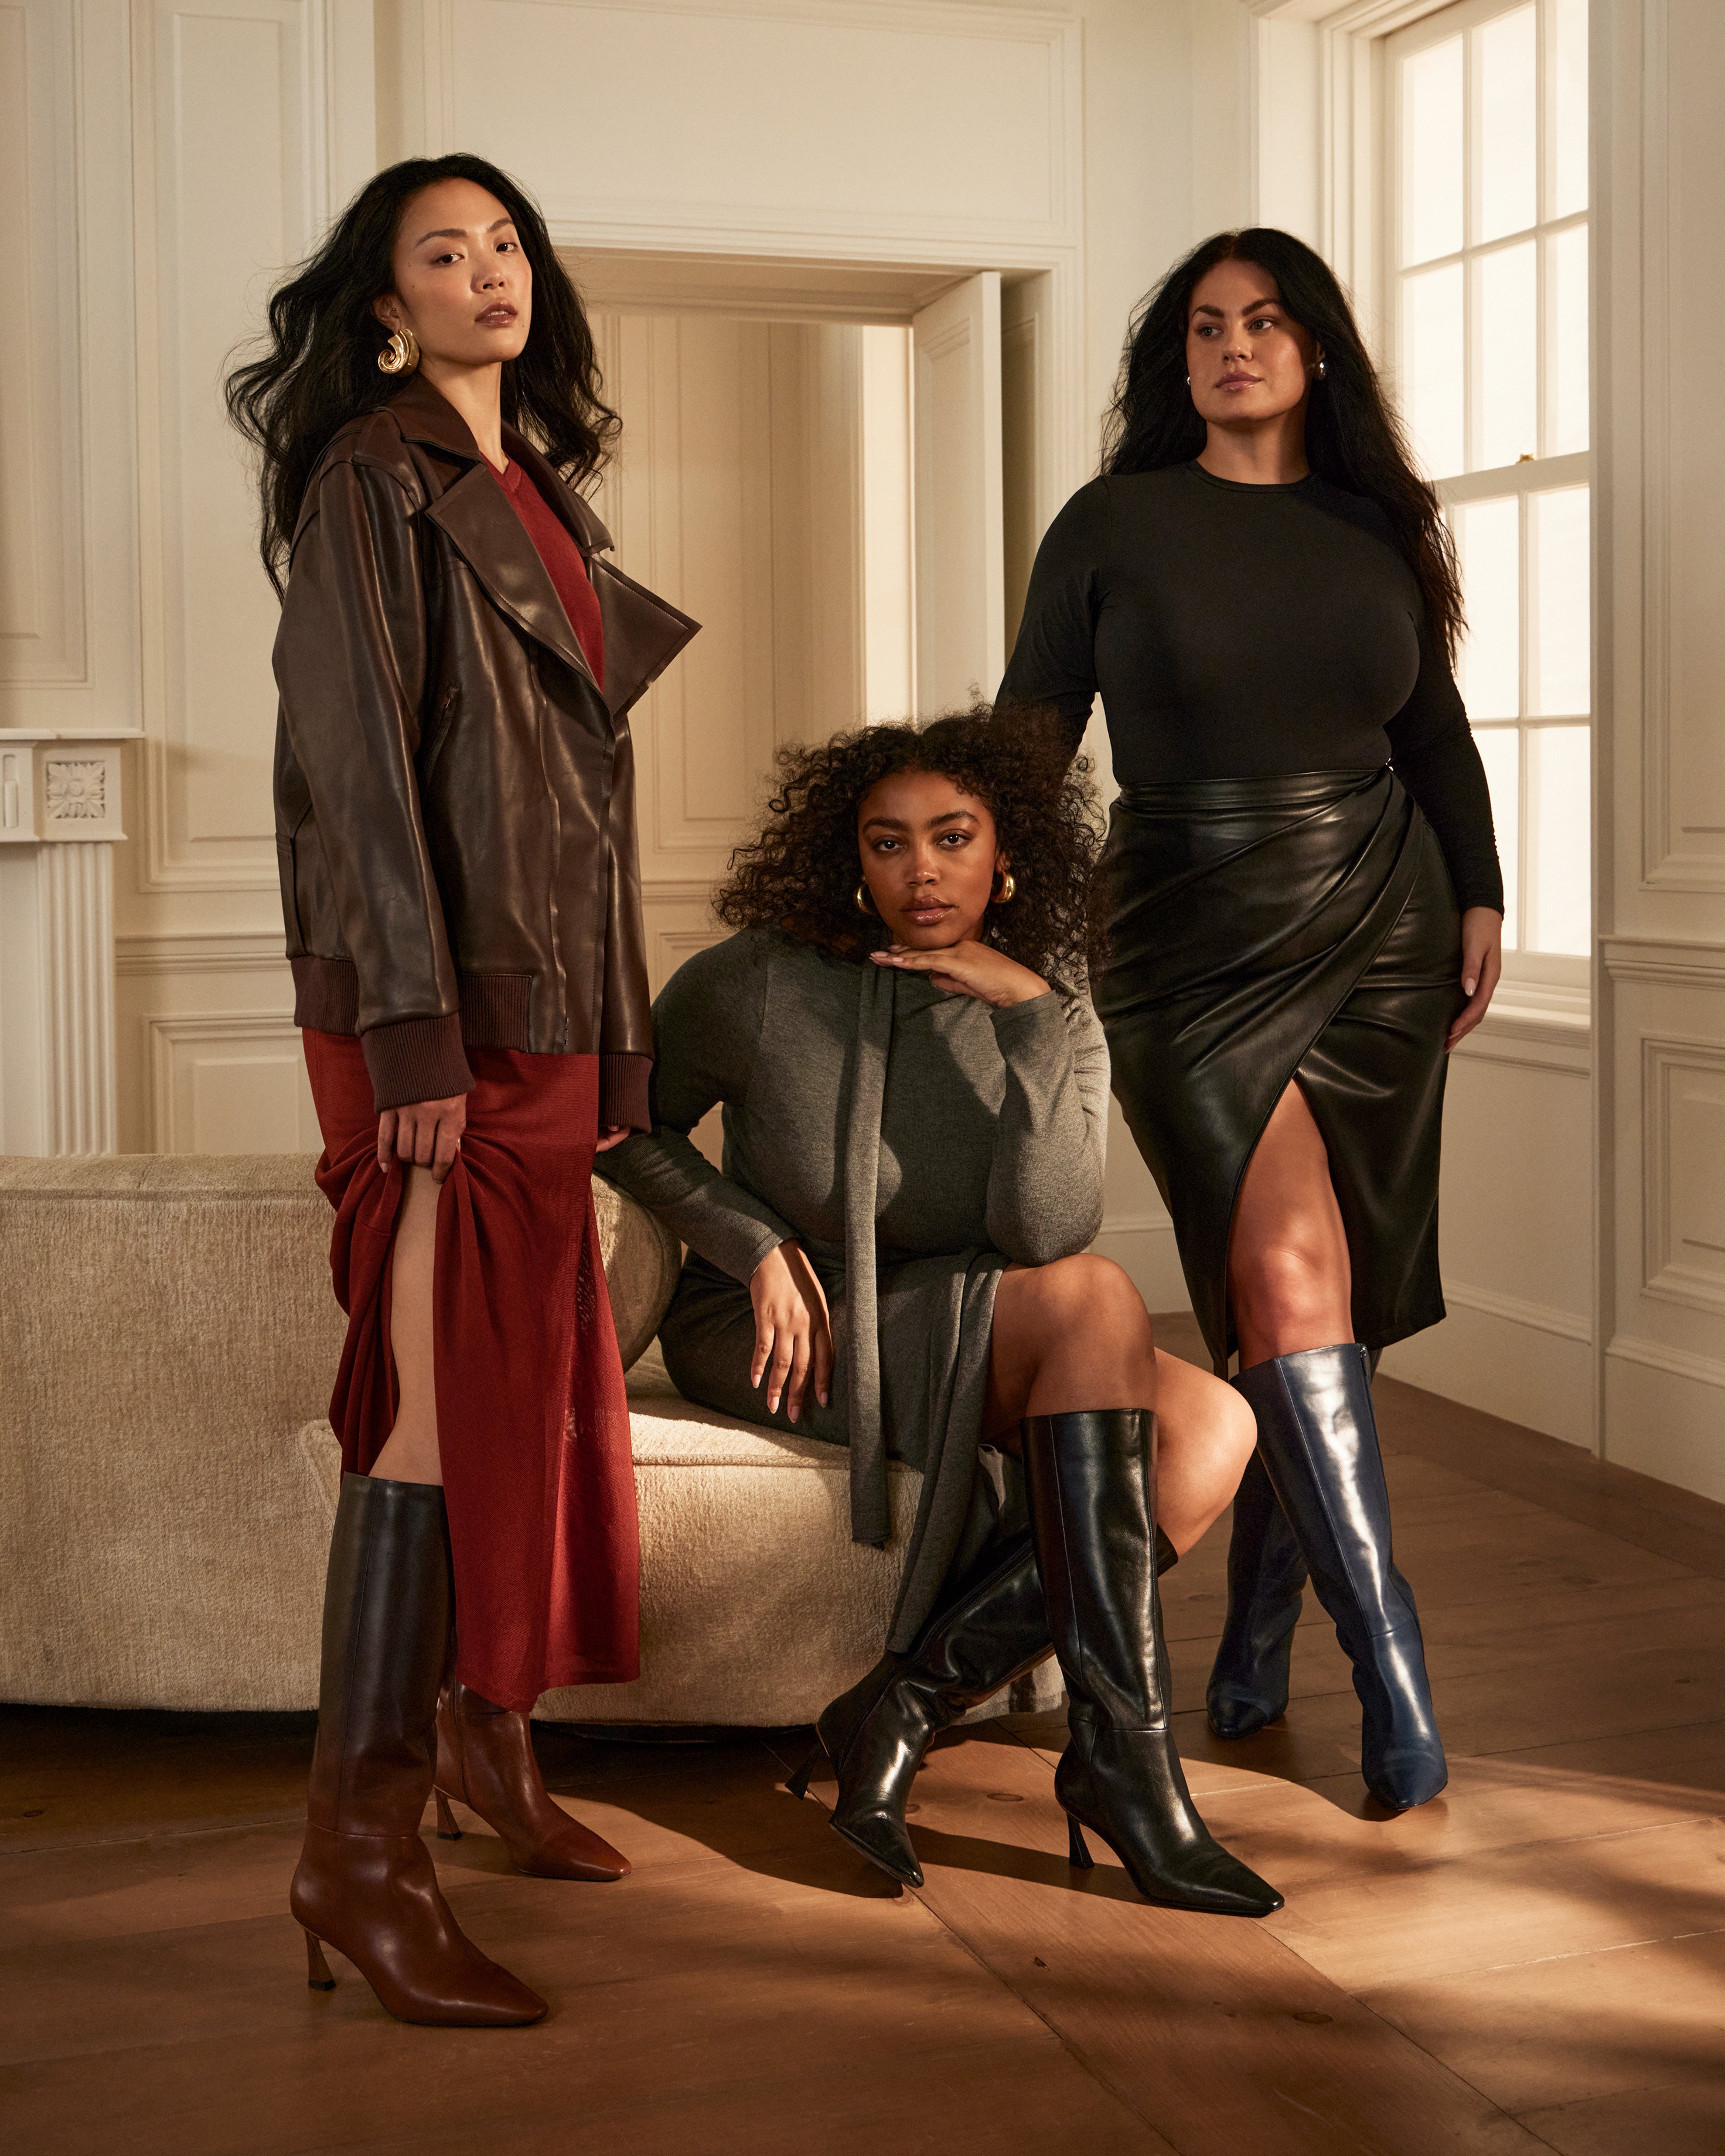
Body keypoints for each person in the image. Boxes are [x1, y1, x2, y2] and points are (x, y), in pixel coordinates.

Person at [226, 152, 698, 2025]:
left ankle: (486, 1743)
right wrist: (411, 1031)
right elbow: (355, 764)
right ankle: (356, 1851)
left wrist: (624, 1042)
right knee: (431, 1400)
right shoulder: (372, 475)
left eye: (507, 245)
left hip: (548, 1009)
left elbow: (587, 809)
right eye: (445, 251)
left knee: (533, 1381)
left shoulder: (541, 497)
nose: (490, 271)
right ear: (384, 305)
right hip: (439, 1017)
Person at [599, 707, 1281, 1918]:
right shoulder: (757, 981)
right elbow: (623, 1125)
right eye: (889, 842)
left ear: (1005, 852)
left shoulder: (1050, 1005)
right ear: (850, 861)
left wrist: (1030, 1023)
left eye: (953, 837)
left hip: (969, 1308)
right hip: (789, 1326)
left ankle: (904, 1701)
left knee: (1216, 1426)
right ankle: (1118, 1768)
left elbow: (1042, 1228)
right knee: (1099, 1302)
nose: (922, 869)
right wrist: (752, 1244)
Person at [998, 227, 1505, 1813]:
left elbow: (1434, 733)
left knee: (1320, 1306)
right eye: (1208, 326)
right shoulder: (1112, 523)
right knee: (1286, 1279)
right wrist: (996, 923)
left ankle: (1265, 1623)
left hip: (1381, 919)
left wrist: (1480, 895)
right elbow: (1027, 738)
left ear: (1314, 349)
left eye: (1264, 321)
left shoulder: (1376, 524)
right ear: (1180, 360)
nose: (1233, 346)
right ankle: (1394, 1668)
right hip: (1183, 936)